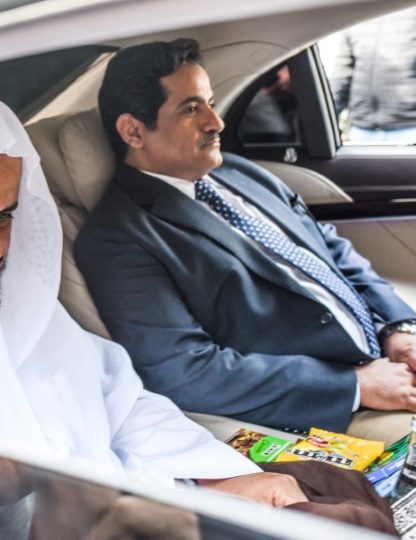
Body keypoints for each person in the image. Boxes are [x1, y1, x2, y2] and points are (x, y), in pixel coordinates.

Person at [0, 88, 395, 534]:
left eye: (6, 216)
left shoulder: (20, 310)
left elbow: (123, 404)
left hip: (147, 506)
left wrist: (218, 479)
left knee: (338, 504)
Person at [74, 38, 416, 445]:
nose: (215, 122)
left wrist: (398, 328)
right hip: (324, 411)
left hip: (385, 357)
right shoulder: (119, 239)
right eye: (191, 109)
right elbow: (184, 371)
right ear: (133, 131)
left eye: (210, 103)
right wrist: (354, 385)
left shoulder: (237, 172)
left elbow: (329, 249)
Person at [330, 7, 416, 143]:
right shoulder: (356, 16)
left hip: (408, 128)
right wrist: (327, 117)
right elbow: (342, 74)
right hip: (362, 129)